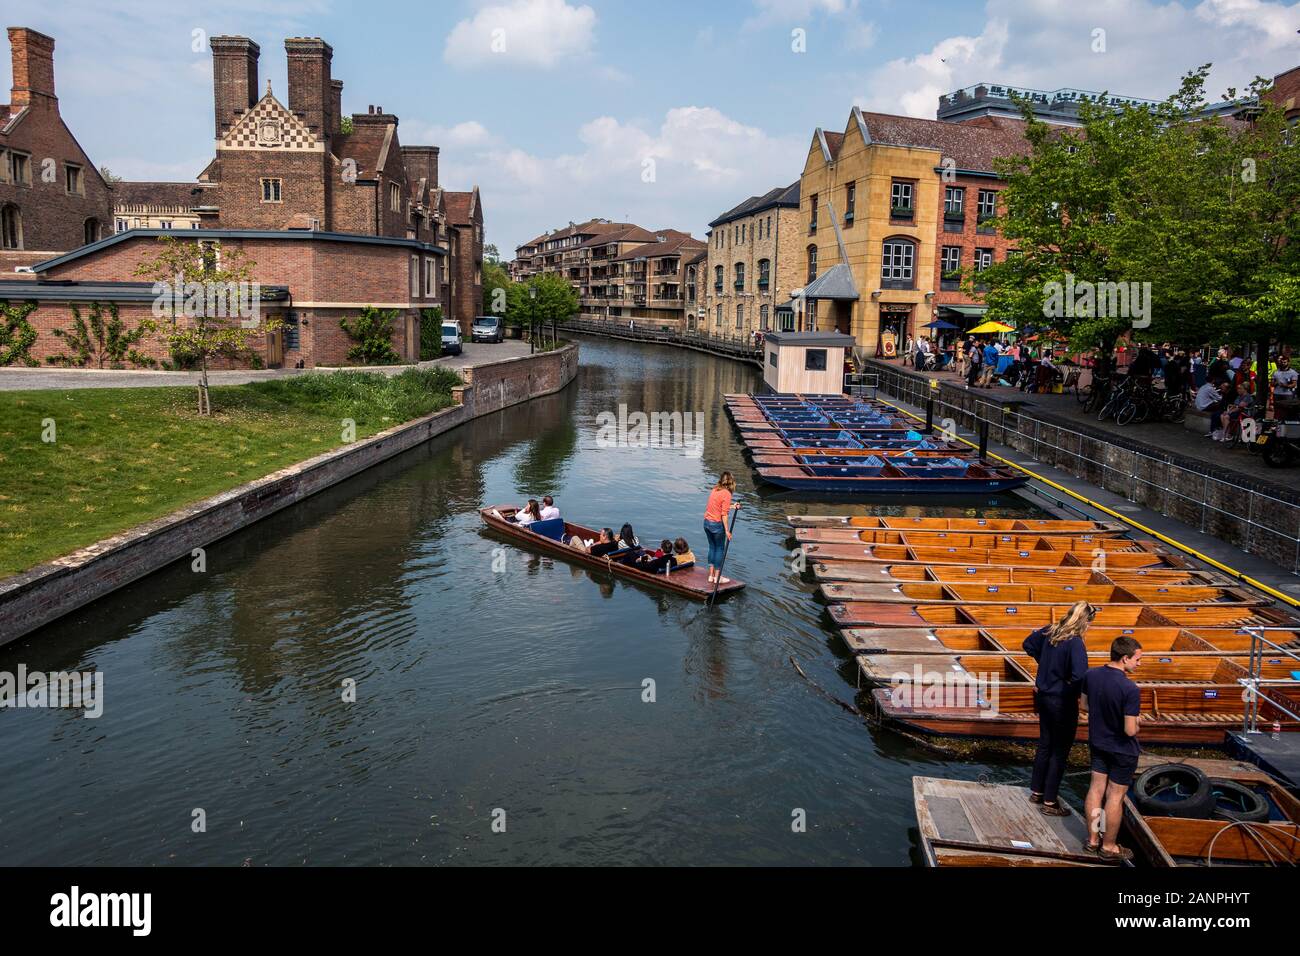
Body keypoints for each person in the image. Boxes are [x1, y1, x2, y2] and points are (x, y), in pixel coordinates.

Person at [1023, 602, 1093, 816]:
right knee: (1060, 750)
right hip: (1062, 701)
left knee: (1045, 743)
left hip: (1044, 696)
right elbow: (1081, 675)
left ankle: (1037, 791)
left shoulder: (1049, 630)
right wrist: (1071, 688)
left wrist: (1044, 665)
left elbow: (1028, 644)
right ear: (1085, 621)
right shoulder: (1075, 643)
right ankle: (1050, 801)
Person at [1081, 636, 1144, 864]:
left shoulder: (1091, 675)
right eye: (1137, 659)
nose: (1139, 664)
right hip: (1122, 750)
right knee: (1115, 796)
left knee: (1096, 789)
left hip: (1098, 742)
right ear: (1125, 658)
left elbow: (1084, 706)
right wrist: (1137, 722)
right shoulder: (1130, 688)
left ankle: (1093, 839)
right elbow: (1129, 731)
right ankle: (1109, 846)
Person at [703, 471, 740, 586]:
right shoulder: (727, 494)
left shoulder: (715, 489)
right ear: (731, 482)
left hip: (707, 523)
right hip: (717, 525)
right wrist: (727, 530)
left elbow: (718, 506)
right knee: (719, 549)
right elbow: (724, 514)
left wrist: (732, 506)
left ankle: (711, 576)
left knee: (712, 547)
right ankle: (717, 577)